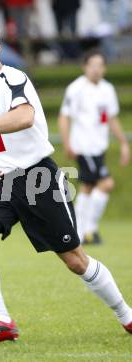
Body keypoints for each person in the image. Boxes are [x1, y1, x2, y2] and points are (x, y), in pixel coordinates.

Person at [0, 20, 132, 347]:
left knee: (75, 259)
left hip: (37, 179)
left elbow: (24, 117)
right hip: (1, 184)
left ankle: (126, 315)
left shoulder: (13, 78)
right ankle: (1, 320)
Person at [58, 49, 130, 245]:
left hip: (99, 147)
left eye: (100, 65)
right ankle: (89, 229)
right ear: (85, 67)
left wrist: (123, 143)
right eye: (92, 65)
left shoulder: (107, 89)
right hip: (84, 147)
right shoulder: (76, 88)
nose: (96, 69)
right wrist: (67, 143)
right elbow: (64, 116)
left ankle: (80, 232)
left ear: (105, 68)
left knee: (88, 188)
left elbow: (111, 118)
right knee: (106, 184)